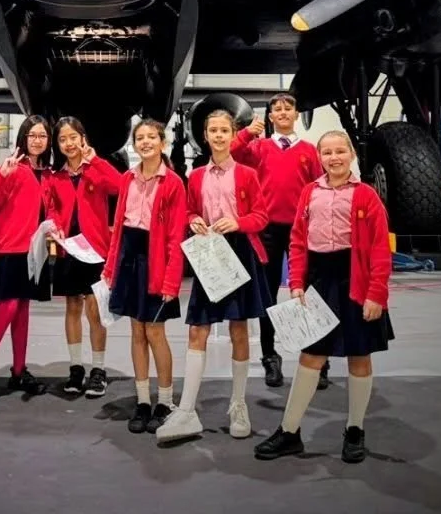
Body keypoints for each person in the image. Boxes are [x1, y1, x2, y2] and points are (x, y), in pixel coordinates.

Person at [255, 130, 394, 464]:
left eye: (340, 152)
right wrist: (297, 282)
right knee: (311, 356)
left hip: (356, 281)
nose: (334, 158)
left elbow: (378, 249)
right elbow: (298, 240)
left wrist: (376, 293)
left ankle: (355, 430)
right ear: (320, 158)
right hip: (320, 279)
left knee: (359, 356)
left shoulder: (367, 196)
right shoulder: (309, 193)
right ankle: (289, 432)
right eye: (327, 153)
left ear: (352, 156)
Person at [157, 108, 271, 446]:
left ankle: (238, 404)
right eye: (213, 131)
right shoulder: (196, 176)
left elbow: (261, 215)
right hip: (209, 253)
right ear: (204, 136)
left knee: (239, 330)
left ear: (232, 133)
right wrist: (192, 219)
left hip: (239, 251)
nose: (219, 136)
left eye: (224, 130)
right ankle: (187, 409)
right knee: (198, 331)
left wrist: (239, 223)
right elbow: (190, 209)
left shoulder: (248, 175)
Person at [102, 118, 187, 434]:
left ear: (162, 142)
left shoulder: (174, 183)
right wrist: (110, 267)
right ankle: (142, 401)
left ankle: (164, 401)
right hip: (129, 259)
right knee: (136, 333)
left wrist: (171, 281)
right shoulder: (127, 178)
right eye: (140, 138)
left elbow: (176, 236)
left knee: (155, 333)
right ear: (134, 144)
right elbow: (118, 228)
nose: (146, 142)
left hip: (157, 263)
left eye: (152, 137)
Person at [231, 92, 321, 389]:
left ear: (296, 115)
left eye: (288, 108)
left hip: (302, 230)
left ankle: (317, 357)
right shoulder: (258, 148)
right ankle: (270, 356)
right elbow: (228, 152)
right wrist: (245, 133)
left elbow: (319, 189)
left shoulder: (310, 151)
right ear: (270, 117)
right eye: (276, 109)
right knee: (267, 297)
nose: (282, 112)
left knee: (309, 294)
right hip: (267, 230)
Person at [0, 115, 51, 409]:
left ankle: (18, 370)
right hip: (9, 249)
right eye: (33, 135)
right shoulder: (14, 168)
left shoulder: (46, 173)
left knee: (23, 311)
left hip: (33, 251)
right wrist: (2, 176)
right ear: (23, 138)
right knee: (7, 309)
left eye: (42, 135)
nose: (38, 140)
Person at [43, 116, 124, 398]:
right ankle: (76, 368)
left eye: (72, 137)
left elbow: (119, 186)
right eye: (62, 139)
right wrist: (54, 225)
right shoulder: (55, 176)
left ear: (82, 138)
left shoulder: (96, 169)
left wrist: (96, 160)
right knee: (72, 308)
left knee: (95, 310)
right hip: (68, 250)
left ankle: (98, 369)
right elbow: (50, 207)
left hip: (96, 250)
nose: (68, 143)